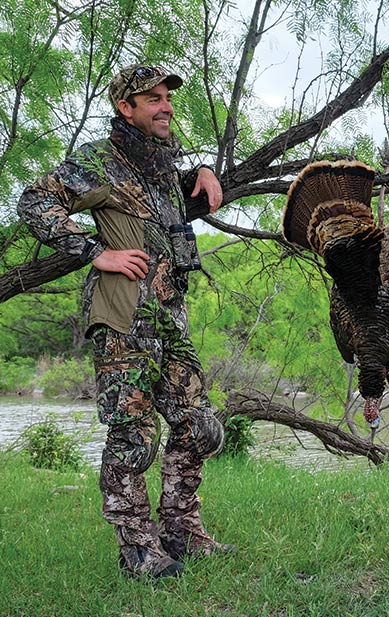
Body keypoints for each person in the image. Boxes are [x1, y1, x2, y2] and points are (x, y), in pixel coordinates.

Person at [18, 64, 231, 580]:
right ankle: (138, 549)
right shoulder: (99, 158)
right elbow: (34, 201)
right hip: (124, 316)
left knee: (200, 426)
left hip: (169, 315)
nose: (166, 106)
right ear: (125, 108)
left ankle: (181, 531)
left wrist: (198, 172)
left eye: (167, 98)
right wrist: (95, 252)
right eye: (152, 99)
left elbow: (159, 202)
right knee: (132, 437)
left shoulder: (158, 164)